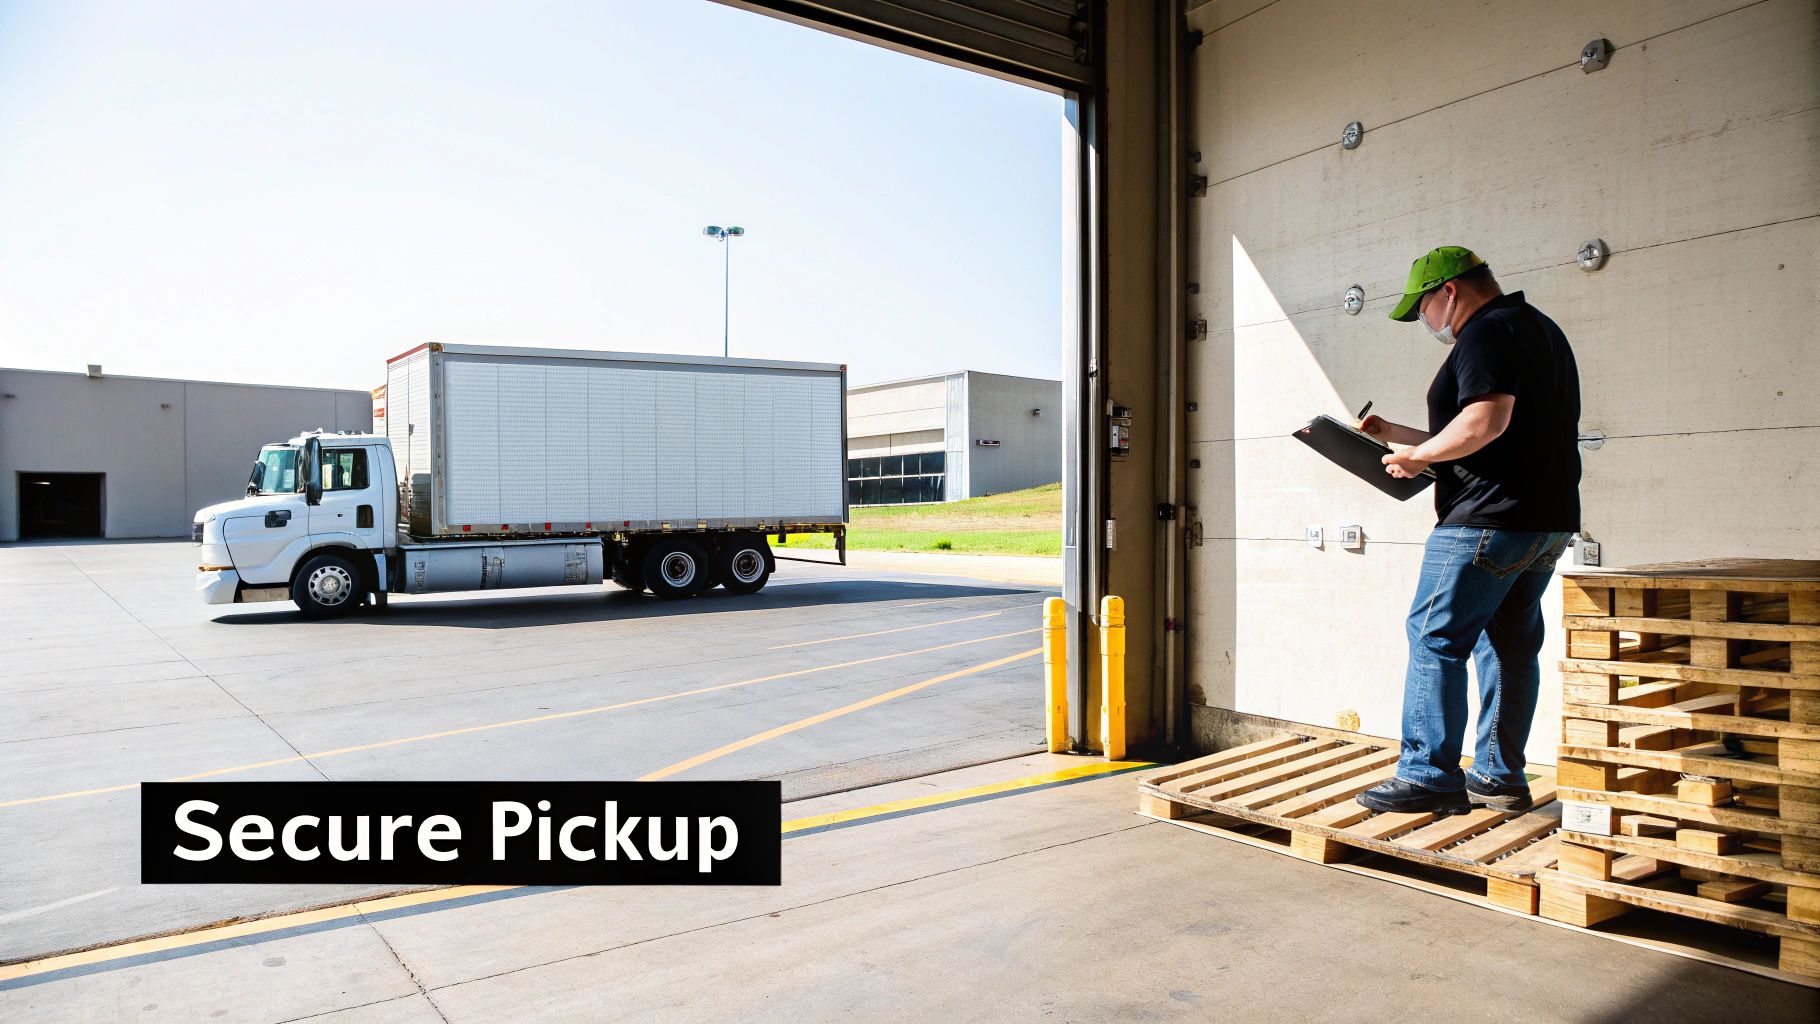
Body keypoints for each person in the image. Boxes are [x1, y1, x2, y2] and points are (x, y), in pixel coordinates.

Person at [1354, 246, 1582, 816]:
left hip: (1483, 522)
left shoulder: (1483, 333)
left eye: (1422, 309)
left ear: (1449, 292)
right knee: (1508, 645)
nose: (1425, 322)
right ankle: (1499, 778)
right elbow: (1485, 436)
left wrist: (1416, 458)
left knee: (1435, 637)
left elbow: (1485, 422)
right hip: (1541, 521)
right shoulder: (1540, 331)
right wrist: (1394, 437)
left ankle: (1428, 775)